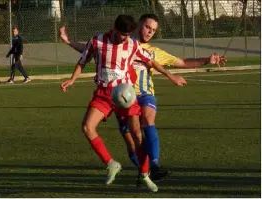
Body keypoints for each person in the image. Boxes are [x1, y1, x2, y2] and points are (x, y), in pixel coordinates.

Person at [59, 13, 227, 185]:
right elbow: (91, 49)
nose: (149, 32)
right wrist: (68, 42)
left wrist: (205, 60)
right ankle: (143, 172)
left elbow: (182, 62)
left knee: (146, 121)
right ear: (139, 25)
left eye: (153, 30)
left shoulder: (151, 51)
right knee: (131, 142)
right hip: (117, 96)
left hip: (142, 94)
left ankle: (153, 165)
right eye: (147, 27)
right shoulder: (117, 39)